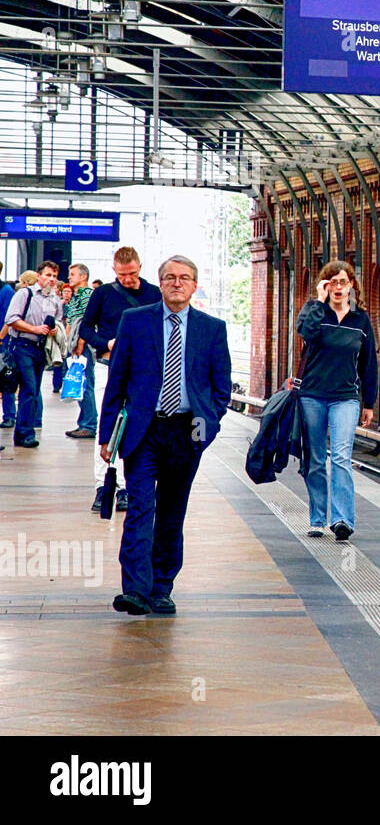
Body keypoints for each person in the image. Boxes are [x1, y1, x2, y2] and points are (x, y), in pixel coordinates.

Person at [99, 255, 231, 616]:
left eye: (184, 278)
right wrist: (107, 436)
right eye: (170, 277)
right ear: (160, 283)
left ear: (193, 285)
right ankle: (136, 590)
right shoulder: (135, 322)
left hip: (186, 431)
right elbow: (117, 381)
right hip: (143, 430)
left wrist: (206, 430)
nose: (177, 283)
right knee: (141, 508)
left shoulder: (212, 329)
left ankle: (161, 587)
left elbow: (221, 391)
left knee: (172, 512)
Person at [295, 260, 377, 541]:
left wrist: (369, 403)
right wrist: (319, 301)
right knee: (316, 459)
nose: (338, 287)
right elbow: (306, 333)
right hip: (312, 396)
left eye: (343, 282)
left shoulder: (361, 320)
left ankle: (342, 519)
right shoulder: (315, 312)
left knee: (341, 458)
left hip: (346, 398)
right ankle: (317, 518)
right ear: (324, 286)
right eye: (332, 283)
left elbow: (369, 363)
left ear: (351, 285)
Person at [80, 247, 162, 512]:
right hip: (108, 365)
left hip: (143, 373)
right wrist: (106, 343)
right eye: (123, 274)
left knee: (137, 426)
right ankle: (103, 485)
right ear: (114, 270)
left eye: (133, 273)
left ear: (140, 266)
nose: (128, 279)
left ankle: (125, 487)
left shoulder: (153, 294)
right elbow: (85, 328)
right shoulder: (103, 294)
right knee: (107, 425)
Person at [3, 261, 63, 449]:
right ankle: (26, 433)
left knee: (34, 390)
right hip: (22, 346)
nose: (51, 279)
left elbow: (58, 320)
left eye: (54, 276)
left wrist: (54, 330)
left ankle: (22, 433)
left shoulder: (55, 299)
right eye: (47, 275)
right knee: (28, 388)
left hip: (40, 348)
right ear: (39, 276)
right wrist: (34, 329)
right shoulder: (25, 294)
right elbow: (11, 319)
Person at [63, 264, 98, 439]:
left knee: (85, 384)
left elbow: (87, 321)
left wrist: (81, 344)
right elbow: (71, 321)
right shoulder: (75, 297)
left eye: (72, 274)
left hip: (82, 347)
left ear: (83, 277)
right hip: (75, 345)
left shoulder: (87, 295)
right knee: (79, 384)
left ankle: (89, 425)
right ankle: (84, 422)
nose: (69, 277)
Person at [0, 263, 14, 429]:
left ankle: (9, 415)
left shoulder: (6, 291)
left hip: (3, 343)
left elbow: (10, 318)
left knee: (5, 379)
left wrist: (1, 336)